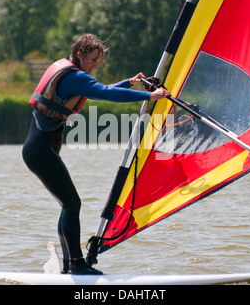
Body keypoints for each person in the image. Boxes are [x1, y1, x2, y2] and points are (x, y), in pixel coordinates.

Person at [22, 34, 170, 275]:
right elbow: (105, 93)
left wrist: (129, 82)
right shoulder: (74, 77)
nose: (94, 66)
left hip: (39, 150)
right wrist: (150, 96)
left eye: (97, 62)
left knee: (68, 204)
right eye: (92, 60)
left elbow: (103, 89)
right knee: (72, 203)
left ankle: (71, 265)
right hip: (40, 151)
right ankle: (77, 265)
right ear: (79, 55)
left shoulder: (71, 74)